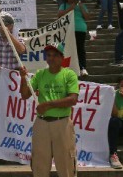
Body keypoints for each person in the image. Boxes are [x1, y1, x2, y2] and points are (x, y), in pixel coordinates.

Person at [18, 43, 78, 177]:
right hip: (41, 123)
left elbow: (73, 99)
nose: (51, 58)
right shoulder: (40, 74)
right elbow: (25, 94)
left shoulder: (69, 74)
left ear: (62, 58)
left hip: (62, 123)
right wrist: (23, 78)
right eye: (49, 55)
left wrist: (48, 104)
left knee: (66, 163)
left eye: (55, 55)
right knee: (39, 162)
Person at [0, 15, 26, 117]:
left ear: (11, 26)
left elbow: (22, 50)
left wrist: (10, 36)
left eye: (4, 25)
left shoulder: (18, 39)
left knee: (14, 102)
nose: (0, 27)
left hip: (13, 77)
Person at [58, 0, 90, 77]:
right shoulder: (63, 5)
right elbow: (59, 15)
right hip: (68, 30)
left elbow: (87, 17)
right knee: (68, 49)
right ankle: (69, 67)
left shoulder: (80, 5)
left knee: (80, 49)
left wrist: (80, 6)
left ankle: (82, 67)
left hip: (80, 29)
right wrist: (70, 8)